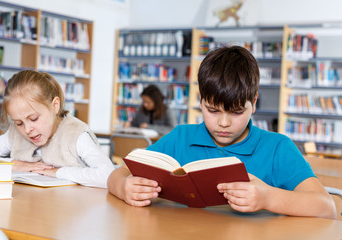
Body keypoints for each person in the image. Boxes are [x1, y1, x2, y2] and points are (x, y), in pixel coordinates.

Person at [108, 46, 336, 219]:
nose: (224, 123)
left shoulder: (277, 148)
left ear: (253, 103)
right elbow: (118, 174)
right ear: (201, 101)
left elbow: (327, 208)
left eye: (236, 112)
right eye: (212, 110)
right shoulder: (180, 138)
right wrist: (124, 187)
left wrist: (268, 197)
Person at [0, 70, 114, 188]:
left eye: (34, 119)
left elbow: (107, 175)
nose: (27, 129)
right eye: (19, 123)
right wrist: (15, 165)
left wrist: (57, 172)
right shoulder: (14, 134)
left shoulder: (76, 134)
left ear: (54, 106)